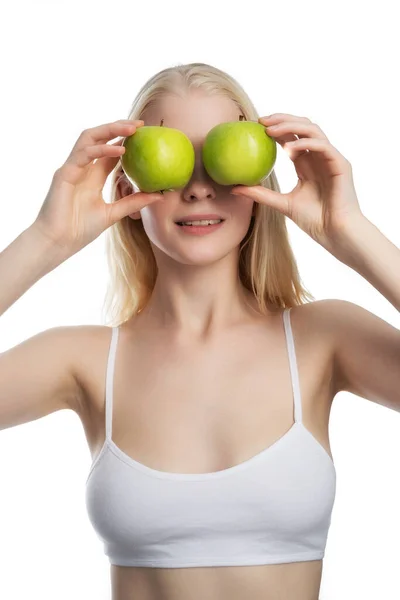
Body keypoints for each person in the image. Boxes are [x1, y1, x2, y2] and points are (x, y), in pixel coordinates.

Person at [1, 62, 399, 600]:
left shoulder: (323, 338)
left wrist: (352, 232)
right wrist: (47, 240)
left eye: (220, 156)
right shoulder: (85, 360)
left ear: (259, 177)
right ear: (128, 185)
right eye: (172, 159)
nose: (198, 188)